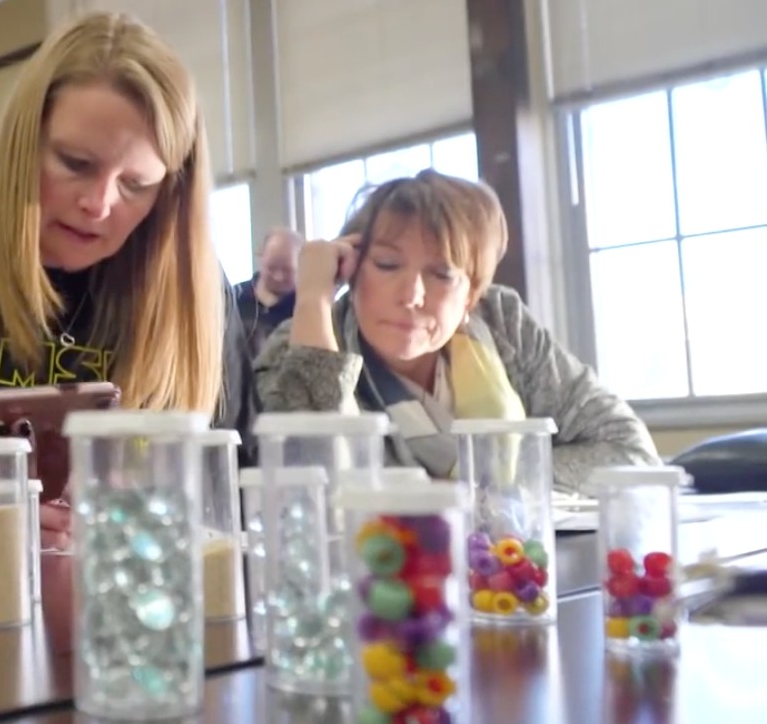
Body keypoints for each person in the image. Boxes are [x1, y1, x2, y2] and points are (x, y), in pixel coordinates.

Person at [0, 12, 260, 546]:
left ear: (168, 193)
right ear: (24, 145)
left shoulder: (192, 292)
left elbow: (230, 502)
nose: (97, 204)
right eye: (75, 162)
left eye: (135, 184)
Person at [254, 170, 658, 491]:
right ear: (352, 271)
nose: (412, 295)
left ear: (471, 294)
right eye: (387, 265)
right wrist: (312, 300)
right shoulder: (299, 345)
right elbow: (317, 489)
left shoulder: (502, 325)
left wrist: (477, 490)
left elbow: (628, 451)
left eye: (442, 274)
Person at [234, 227, 303, 357]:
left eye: (287, 270)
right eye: (271, 268)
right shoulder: (234, 298)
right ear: (260, 256)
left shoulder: (306, 307)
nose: (278, 276)